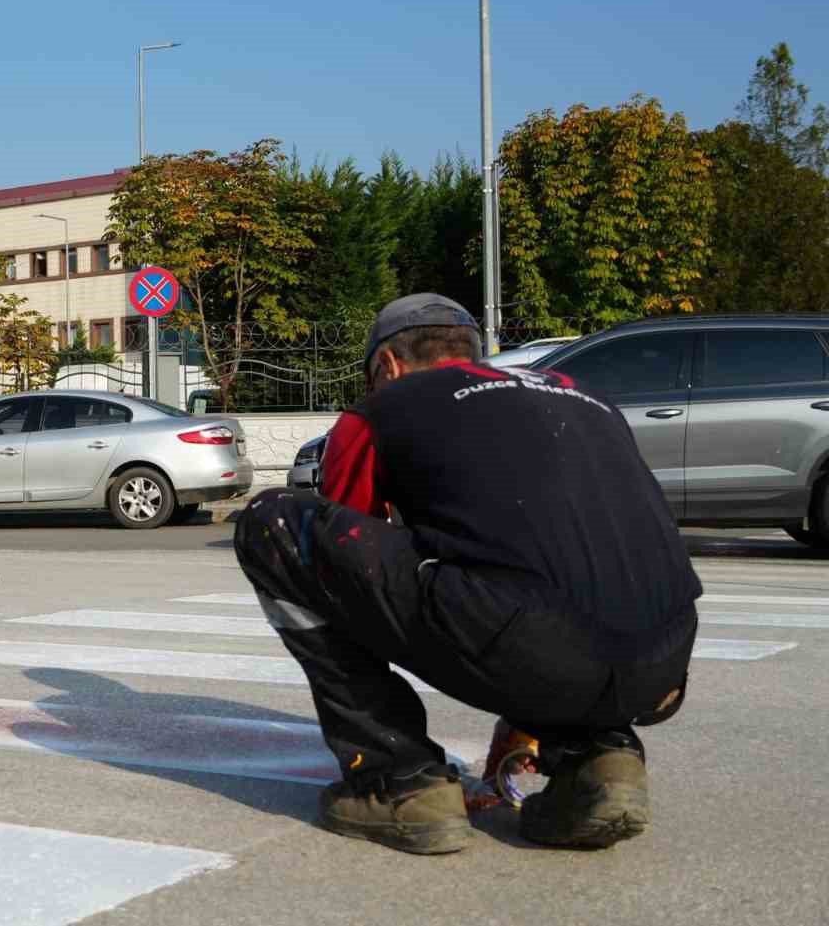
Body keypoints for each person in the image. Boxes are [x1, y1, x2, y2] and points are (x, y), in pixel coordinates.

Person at [234, 293, 700, 854]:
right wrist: (528, 704)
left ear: (387, 366)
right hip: (663, 666)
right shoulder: (581, 396)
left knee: (274, 526)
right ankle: (598, 757)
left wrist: (518, 679)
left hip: (535, 644)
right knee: (552, 605)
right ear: (474, 357)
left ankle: (400, 781)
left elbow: (347, 575)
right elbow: (563, 562)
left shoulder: (384, 409)